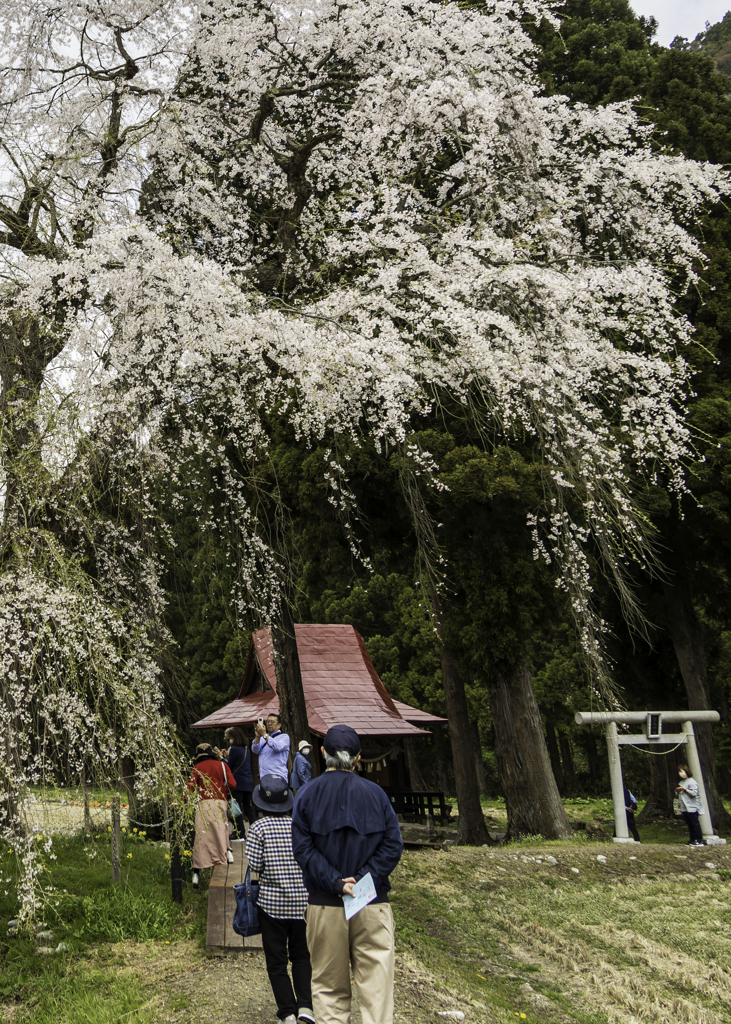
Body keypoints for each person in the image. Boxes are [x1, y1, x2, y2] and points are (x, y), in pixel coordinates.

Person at [292, 724, 403, 1024]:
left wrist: (337, 884)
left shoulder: (306, 795)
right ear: (357, 760)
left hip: (325, 905)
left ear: (323, 752)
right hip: (371, 901)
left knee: (328, 991)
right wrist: (363, 880)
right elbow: (393, 846)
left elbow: (303, 851)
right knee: (377, 993)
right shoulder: (377, 795)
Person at [245, 773, 315, 1024]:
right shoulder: (299, 825)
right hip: (302, 903)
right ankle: (306, 1007)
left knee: (277, 962)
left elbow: (255, 864)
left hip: (272, 905)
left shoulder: (258, 828)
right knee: (301, 956)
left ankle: (287, 1012)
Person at [186, 743, 236, 889]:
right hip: (220, 801)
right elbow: (233, 783)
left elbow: (190, 788)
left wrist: (181, 801)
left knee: (202, 837)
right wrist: (224, 791)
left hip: (203, 803)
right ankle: (225, 855)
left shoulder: (197, 768)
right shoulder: (222, 766)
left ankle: (197, 873)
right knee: (221, 830)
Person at [222, 726, 256, 837]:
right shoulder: (246, 749)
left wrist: (221, 758)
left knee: (236, 808)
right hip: (248, 782)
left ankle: (240, 832)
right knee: (248, 808)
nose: (227, 742)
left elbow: (228, 767)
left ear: (234, 738)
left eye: (228, 739)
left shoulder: (235, 750)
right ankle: (256, 830)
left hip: (237, 783)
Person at [252, 713, 291, 781]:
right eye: (268, 721)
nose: (269, 724)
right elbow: (255, 750)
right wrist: (258, 737)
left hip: (277, 776)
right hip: (263, 776)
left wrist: (264, 734)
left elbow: (277, 747)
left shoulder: (284, 737)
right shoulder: (263, 738)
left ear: (279, 725)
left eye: (272, 722)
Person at [676, 763, 705, 847]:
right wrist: (678, 791)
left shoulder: (692, 782)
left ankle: (699, 840)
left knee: (695, 824)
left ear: (686, 771)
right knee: (689, 824)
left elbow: (694, 793)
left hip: (693, 807)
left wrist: (685, 789)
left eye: (681, 771)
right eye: (679, 772)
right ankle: (692, 840)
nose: (680, 773)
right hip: (684, 807)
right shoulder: (681, 782)